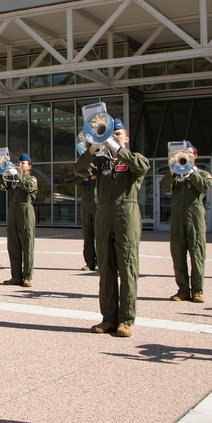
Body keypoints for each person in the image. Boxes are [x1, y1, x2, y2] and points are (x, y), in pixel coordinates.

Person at [74, 118, 149, 338]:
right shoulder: (101, 162)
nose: (113, 138)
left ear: (126, 138)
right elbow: (79, 170)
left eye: (118, 135)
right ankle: (109, 318)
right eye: (111, 134)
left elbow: (143, 167)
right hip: (104, 214)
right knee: (105, 268)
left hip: (126, 214)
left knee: (127, 267)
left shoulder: (135, 158)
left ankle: (126, 320)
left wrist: (118, 150)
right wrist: (93, 149)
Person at [161, 144, 211, 303]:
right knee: (178, 253)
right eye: (182, 155)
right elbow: (164, 188)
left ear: (194, 156)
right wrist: (172, 173)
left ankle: (197, 290)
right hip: (177, 215)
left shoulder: (203, 174)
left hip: (195, 214)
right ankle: (183, 290)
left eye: (188, 155)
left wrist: (191, 172)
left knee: (197, 253)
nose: (185, 158)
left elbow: (203, 187)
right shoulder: (175, 174)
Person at [0, 153, 38, 288]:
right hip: (13, 211)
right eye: (19, 163)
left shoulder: (32, 178)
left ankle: (27, 277)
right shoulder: (14, 179)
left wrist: (17, 175)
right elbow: (1, 187)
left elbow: (28, 187)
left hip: (25, 210)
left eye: (23, 163)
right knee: (13, 245)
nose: (20, 165)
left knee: (27, 244)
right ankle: (16, 276)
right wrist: (1, 172)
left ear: (29, 166)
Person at [73, 171, 97, 271]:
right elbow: (76, 181)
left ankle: (102, 262)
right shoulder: (84, 168)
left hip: (99, 203)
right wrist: (84, 174)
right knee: (87, 234)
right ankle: (89, 262)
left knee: (101, 235)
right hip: (86, 204)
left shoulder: (100, 165)